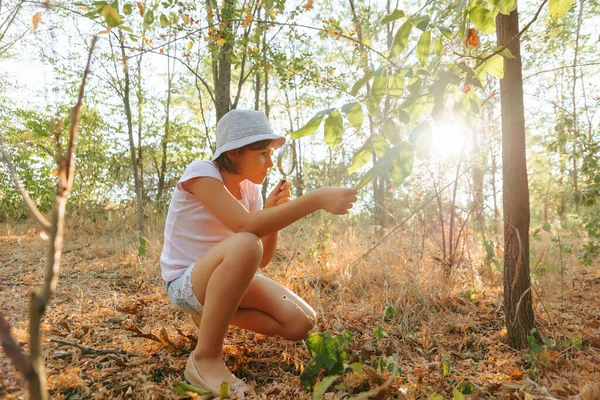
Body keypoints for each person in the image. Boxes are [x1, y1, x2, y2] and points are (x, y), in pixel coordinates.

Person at [160, 109, 358, 398]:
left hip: (223, 276)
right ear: (236, 154)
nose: (270, 162)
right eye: (263, 153)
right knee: (245, 242)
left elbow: (261, 259)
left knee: (301, 321)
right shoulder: (202, 173)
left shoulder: (250, 191)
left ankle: (211, 315)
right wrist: (315, 199)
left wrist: (271, 214)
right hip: (185, 281)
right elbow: (245, 228)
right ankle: (205, 359)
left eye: (271, 153)